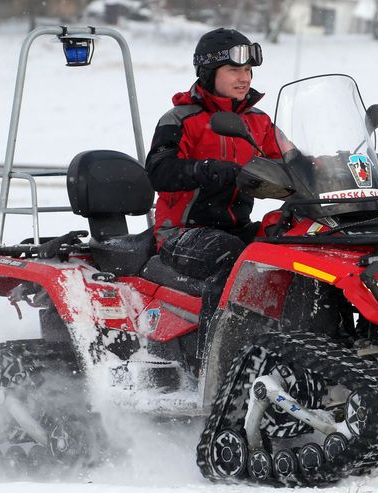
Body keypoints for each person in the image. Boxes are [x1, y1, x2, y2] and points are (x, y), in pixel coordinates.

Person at [145, 28, 282, 357]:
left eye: (248, 71)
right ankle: (215, 360)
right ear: (208, 72)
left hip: (236, 226)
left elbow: (288, 160)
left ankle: (293, 348)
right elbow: (158, 171)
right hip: (182, 232)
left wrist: (329, 166)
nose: (244, 78)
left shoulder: (258, 121)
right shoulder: (181, 118)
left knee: (290, 247)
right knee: (233, 257)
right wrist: (203, 169)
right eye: (234, 70)